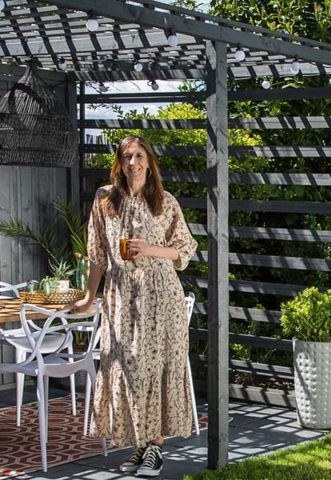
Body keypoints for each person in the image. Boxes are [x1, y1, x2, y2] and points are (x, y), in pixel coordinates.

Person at [67, 135, 198, 477]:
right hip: (121, 297)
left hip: (160, 297)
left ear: (149, 161)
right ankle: (140, 446)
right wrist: (89, 297)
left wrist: (149, 248)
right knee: (127, 370)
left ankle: (154, 447)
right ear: (119, 162)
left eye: (139, 155)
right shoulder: (105, 200)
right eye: (127, 156)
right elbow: (97, 254)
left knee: (155, 370)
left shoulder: (164, 202)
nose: (133, 162)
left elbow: (184, 250)